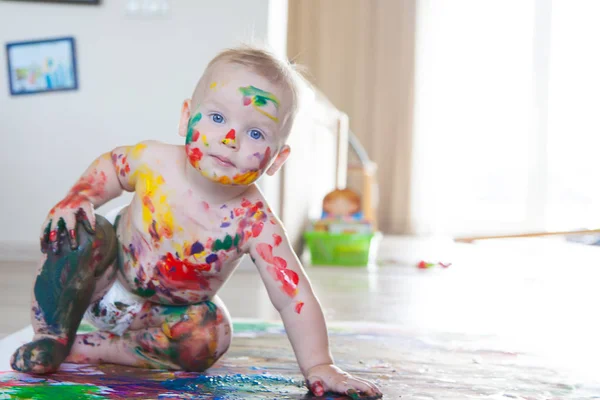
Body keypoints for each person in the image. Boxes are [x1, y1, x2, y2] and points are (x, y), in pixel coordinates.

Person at [10, 46, 382, 398]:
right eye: (218, 118)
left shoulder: (255, 222)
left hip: (162, 320)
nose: (230, 139)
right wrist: (80, 197)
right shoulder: (153, 160)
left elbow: (294, 297)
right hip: (104, 281)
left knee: (211, 335)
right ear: (186, 117)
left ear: (277, 159)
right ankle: (52, 336)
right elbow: (111, 166)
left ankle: (103, 348)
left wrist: (320, 364)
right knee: (78, 230)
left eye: (255, 133)